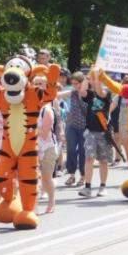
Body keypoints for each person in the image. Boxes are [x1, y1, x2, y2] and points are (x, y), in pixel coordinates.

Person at [78, 70, 113, 197]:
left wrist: (97, 78)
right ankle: (87, 187)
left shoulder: (107, 93)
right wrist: (87, 78)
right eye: (92, 79)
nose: (93, 81)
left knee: (103, 160)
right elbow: (82, 92)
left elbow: (100, 92)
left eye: (95, 79)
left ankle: (102, 186)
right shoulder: (90, 94)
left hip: (103, 132)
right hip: (90, 132)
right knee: (89, 158)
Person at [34, 74, 59, 213]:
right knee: (33, 178)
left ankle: (51, 201)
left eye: (40, 83)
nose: (37, 86)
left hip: (47, 148)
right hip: (32, 148)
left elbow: (44, 133)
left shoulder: (47, 110)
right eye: (35, 83)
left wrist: (29, 128)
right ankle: (33, 205)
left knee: (46, 178)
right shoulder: (30, 106)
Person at [63, 71, 89, 187]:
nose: (75, 86)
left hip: (85, 127)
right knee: (71, 150)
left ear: (82, 82)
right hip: (71, 126)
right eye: (73, 83)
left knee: (83, 152)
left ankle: (83, 176)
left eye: (77, 83)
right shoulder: (72, 92)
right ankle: (72, 174)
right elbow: (57, 95)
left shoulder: (88, 94)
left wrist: (81, 92)